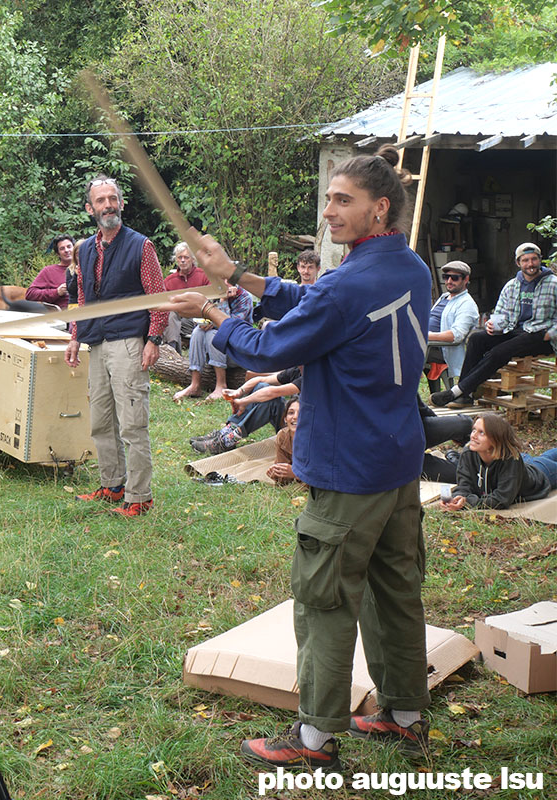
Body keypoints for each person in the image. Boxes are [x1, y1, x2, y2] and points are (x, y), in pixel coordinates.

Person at [167, 145, 431, 772]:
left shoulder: (346, 285)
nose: (330, 211)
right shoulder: (412, 269)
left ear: (379, 208)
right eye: (329, 199)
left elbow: (268, 346)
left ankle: (314, 739)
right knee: (396, 590)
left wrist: (213, 310)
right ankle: (404, 714)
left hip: (349, 469)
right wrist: (237, 277)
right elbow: (311, 304)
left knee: (325, 600)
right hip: (397, 462)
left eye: (344, 201)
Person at [64, 175, 168, 517]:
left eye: (113, 198)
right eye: (101, 200)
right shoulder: (86, 248)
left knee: (132, 423)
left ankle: (140, 496)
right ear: (90, 208)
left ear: (121, 203)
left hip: (128, 343)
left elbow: (157, 297)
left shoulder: (142, 245)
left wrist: (153, 338)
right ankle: (112, 485)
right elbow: (83, 297)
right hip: (96, 342)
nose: (108, 205)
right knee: (101, 421)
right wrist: (75, 335)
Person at [431, 242, 557, 408]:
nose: (530, 264)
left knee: (499, 352)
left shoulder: (553, 284)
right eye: (525, 260)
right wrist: (492, 324)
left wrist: (551, 334)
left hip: (541, 336)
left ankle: (456, 392)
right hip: (516, 332)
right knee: (477, 338)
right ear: (518, 263)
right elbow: (501, 314)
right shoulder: (511, 286)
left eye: (534, 259)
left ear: (540, 260)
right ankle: (465, 396)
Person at [440, 414, 557, 511]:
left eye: (481, 433)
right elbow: (463, 485)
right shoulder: (468, 453)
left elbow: (501, 499)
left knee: (543, 459)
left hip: (543, 471)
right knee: (544, 456)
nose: (473, 436)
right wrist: (457, 498)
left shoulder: (511, 459)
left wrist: (468, 503)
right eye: (474, 430)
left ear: (496, 439)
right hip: (522, 463)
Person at [190, 367, 302, 454]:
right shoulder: (298, 369)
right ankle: (227, 432)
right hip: (294, 423)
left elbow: (272, 393)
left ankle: (228, 440)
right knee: (262, 385)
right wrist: (239, 392)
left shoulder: (311, 376)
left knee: (272, 402)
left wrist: (244, 401)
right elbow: (260, 379)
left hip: (304, 434)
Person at [172, 281, 253, 401]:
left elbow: (229, 326)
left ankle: (221, 385)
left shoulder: (244, 297)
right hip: (215, 352)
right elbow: (200, 315)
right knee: (197, 332)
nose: (224, 282)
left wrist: (223, 300)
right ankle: (195, 385)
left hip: (237, 352)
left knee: (213, 335)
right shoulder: (213, 293)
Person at [425, 260, 479, 390]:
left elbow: (456, 335)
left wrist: (427, 336)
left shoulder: (467, 304)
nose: (449, 281)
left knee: (399, 354)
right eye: (446, 277)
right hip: (426, 344)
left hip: (441, 350)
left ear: (466, 279)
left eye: (454, 278)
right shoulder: (444, 297)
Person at [163, 242, 211, 352]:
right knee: (171, 316)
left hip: (199, 318)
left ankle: (173, 353)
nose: (183, 260)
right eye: (180, 257)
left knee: (172, 325)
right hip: (179, 320)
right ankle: (173, 352)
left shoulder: (203, 276)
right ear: (176, 260)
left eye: (186, 257)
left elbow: (215, 297)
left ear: (193, 259)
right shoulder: (169, 281)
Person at [24, 235, 74, 310]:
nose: (66, 250)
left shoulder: (85, 268)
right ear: (58, 254)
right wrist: (56, 292)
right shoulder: (49, 271)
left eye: (69, 246)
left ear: (75, 249)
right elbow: (30, 294)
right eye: (62, 248)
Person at [266, 399, 300, 485]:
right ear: (285, 418)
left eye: (301, 413)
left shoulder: (316, 440)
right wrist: (276, 473)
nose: (295, 417)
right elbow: (284, 478)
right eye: (291, 413)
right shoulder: (283, 436)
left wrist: (296, 473)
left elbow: (320, 475)